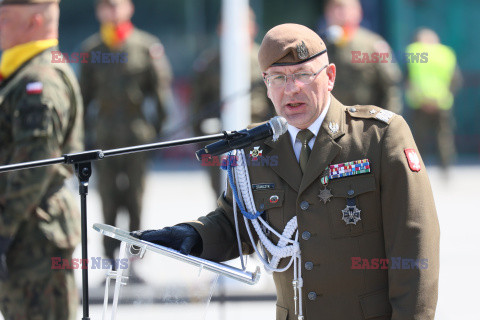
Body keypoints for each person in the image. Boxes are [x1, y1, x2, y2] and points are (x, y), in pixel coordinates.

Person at [132, 24, 439, 320]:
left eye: (303, 75)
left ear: (330, 76)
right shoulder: (255, 148)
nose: (291, 89)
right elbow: (237, 223)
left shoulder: (377, 137)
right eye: (277, 78)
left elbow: (414, 242)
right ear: (265, 85)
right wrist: (193, 235)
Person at [0, 0, 84, 319]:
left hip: (33, 230)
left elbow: (36, 164)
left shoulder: (40, 79)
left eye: (5, 19)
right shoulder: (25, 72)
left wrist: (2, 227)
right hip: (24, 227)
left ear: (35, 21)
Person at [79, 0, 172, 265]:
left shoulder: (145, 46)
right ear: (99, 11)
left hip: (136, 134)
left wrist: (157, 131)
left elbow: (160, 92)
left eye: (117, 5)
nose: (113, 12)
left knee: (135, 197)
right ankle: (109, 257)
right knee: (107, 197)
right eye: (106, 6)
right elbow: (83, 98)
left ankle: (134, 257)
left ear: (129, 8)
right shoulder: (92, 50)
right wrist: (82, 136)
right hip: (104, 136)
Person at [191, 8, 275, 195]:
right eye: (230, 26)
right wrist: (205, 147)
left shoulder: (267, 62)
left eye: (243, 25)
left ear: (253, 28)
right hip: (221, 140)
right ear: (220, 29)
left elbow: (276, 106)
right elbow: (198, 108)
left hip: (258, 140)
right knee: (224, 196)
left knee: (260, 195)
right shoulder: (209, 63)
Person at [321, 0, 403, 114]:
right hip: (331, 120)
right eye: (335, 8)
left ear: (358, 13)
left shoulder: (373, 45)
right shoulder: (321, 45)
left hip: (365, 121)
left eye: (346, 8)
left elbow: (391, 87)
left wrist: (388, 123)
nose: (340, 13)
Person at [405, 28, 461, 170]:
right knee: (443, 137)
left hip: (419, 102)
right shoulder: (446, 54)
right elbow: (455, 79)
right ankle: (446, 167)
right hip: (442, 102)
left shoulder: (413, 51)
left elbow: (406, 77)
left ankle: (416, 168)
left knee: (417, 138)